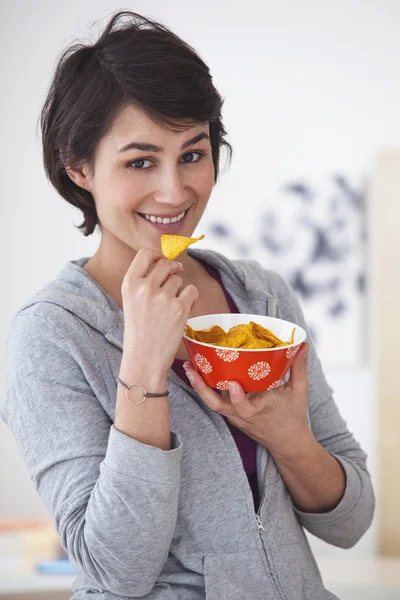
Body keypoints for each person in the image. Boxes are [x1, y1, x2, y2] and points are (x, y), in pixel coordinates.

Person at [1, 10, 374, 600]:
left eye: (193, 154)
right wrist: (143, 368)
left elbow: (350, 523)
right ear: (80, 168)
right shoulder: (48, 337)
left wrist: (287, 436)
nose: (175, 193)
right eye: (140, 162)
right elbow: (115, 570)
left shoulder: (261, 298)